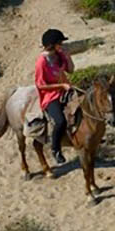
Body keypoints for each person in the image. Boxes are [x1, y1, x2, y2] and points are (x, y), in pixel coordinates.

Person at [34, 29, 75, 165]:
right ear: (52, 44)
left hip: (66, 89)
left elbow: (70, 70)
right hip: (50, 96)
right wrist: (61, 86)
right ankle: (56, 149)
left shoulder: (59, 55)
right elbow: (40, 86)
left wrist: (68, 57)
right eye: (60, 43)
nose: (62, 45)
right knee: (60, 121)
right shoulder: (41, 62)